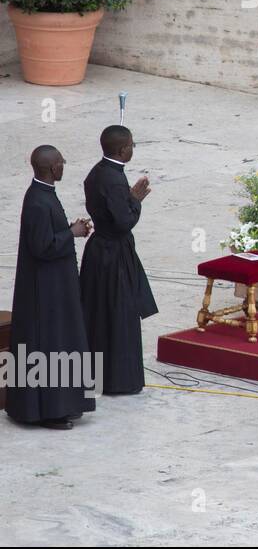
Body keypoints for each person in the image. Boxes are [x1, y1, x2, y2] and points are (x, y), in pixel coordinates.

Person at [5, 147, 97, 429]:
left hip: (56, 284)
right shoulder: (37, 200)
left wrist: (69, 229)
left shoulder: (43, 194)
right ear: (52, 167)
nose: (63, 167)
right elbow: (42, 246)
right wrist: (72, 232)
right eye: (61, 163)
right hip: (45, 290)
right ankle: (49, 411)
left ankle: (66, 404)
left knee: (62, 341)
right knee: (50, 344)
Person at [81, 126, 157, 396]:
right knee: (119, 314)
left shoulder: (97, 172)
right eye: (132, 145)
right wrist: (135, 201)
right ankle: (119, 380)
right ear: (123, 150)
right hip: (113, 255)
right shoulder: (113, 179)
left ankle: (95, 374)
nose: (132, 149)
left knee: (98, 312)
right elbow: (124, 221)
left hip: (99, 251)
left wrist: (129, 198)